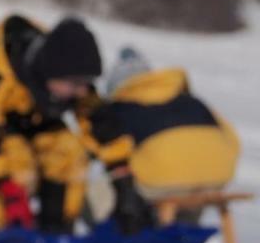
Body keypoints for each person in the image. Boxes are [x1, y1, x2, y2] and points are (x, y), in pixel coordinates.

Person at [0, 14, 152, 236]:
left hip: (37, 118)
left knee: (69, 153)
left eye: (86, 83)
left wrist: (123, 181)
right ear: (50, 74)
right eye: (75, 84)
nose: (82, 91)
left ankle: (57, 228)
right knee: (19, 167)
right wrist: (7, 189)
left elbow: (99, 121)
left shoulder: (68, 76)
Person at [88, 47, 240, 222]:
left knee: (103, 187)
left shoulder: (122, 105)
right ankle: (186, 226)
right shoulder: (192, 100)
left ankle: (106, 236)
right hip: (219, 176)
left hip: (162, 182)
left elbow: (105, 148)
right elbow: (233, 140)